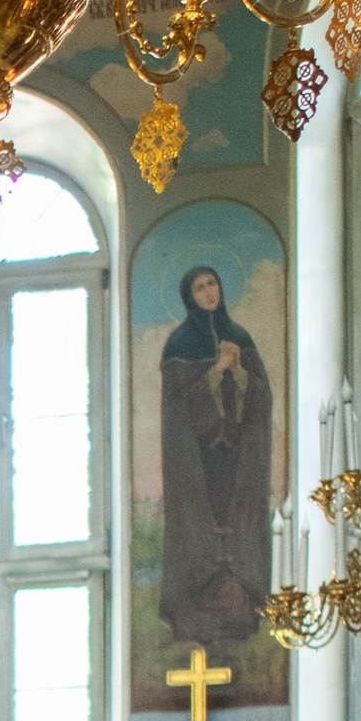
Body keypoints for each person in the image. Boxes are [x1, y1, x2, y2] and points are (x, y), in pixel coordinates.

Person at [160, 264, 274, 651]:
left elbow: (261, 399)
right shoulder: (178, 344)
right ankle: (198, 600)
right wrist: (215, 371)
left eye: (213, 283)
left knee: (233, 516)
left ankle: (239, 597)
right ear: (188, 296)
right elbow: (177, 406)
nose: (209, 292)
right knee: (203, 519)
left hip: (237, 458)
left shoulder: (240, 337)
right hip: (198, 458)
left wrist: (240, 372)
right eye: (199, 287)